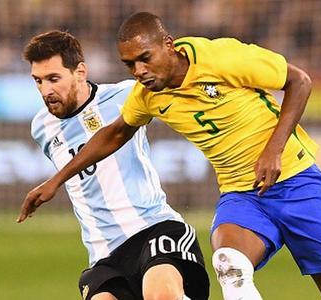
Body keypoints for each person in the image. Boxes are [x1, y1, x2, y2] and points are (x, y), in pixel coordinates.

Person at [20, 12, 321, 299]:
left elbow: (300, 81)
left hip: (297, 182)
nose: (139, 71)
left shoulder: (221, 56)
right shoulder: (148, 95)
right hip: (242, 196)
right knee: (230, 264)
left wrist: (273, 150)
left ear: (168, 46)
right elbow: (113, 134)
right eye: (130, 65)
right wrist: (55, 182)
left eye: (145, 58)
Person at [16, 30, 209, 300]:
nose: (46, 90)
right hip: (105, 255)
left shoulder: (126, 96)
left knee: (161, 296)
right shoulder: (42, 127)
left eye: (53, 79)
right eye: (38, 81)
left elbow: (182, 89)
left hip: (154, 228)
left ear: (80, 72)